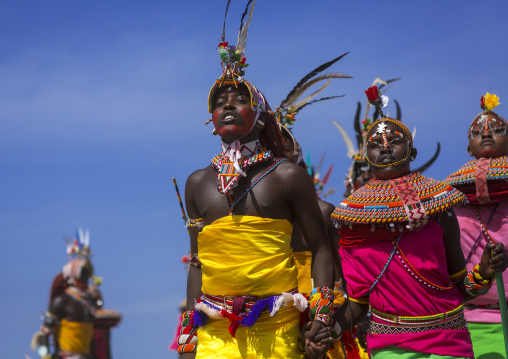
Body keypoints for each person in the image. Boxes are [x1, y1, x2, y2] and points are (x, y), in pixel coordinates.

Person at [177, 3, 335, 358]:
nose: (227, 106)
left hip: (277, 326)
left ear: (261, 117)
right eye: (219, 102)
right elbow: (197, 261)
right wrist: (189, 332)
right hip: (215, 332)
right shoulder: (197, 183)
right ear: (211, 119)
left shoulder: (287, 176)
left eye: (239, 100)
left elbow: (321, 248)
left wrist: (321, 317)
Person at [304, 86, 508, 359]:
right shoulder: (352, 224)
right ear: (367, 156)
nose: (386, 148)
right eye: (375, 145)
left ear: (412, 152)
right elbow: (358, 302)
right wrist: (330, 331)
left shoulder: (440, 207)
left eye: (395, 142)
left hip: (448, 341)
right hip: (390, 347)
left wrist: (483, 271)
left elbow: (461, 289)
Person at [445, 93, 508, 359]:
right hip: (468, 322)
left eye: (497, 129)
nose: (486, 134)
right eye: (477, 132)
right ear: (469, 149)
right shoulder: (449, 203)